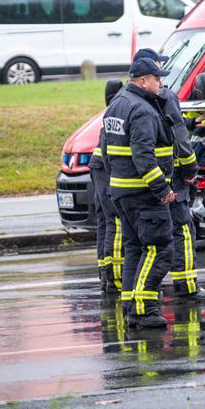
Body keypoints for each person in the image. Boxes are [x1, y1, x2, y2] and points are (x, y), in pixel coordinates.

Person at [132, 48, 205, 303]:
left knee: (146, 238)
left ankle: (143, 290)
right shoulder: (166, 96)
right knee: (182, 229)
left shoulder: (131, 99)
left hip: (149, 180)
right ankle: (187, 286)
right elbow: (179, 139)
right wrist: (191, 170)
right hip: (175, 177)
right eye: (159, 69)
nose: (162, 77)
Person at [104, 57, 177, 329]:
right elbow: (144, 155)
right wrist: (162, 189)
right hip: (144, 194)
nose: (161, 84)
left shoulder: (117, 104)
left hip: (122, 191)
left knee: (134, 248)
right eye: (158, 79)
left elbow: (106, 147)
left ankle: (129, 303)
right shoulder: (142, 109)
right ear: (144, 80)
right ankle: (144, 309)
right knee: (159, 249)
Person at [90, 79, 124, 296]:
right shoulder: (120, 110)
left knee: (105, 220)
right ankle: (113, 278)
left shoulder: (111, 111)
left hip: (97, 166)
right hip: (104, 166)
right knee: (114, 220)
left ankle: (105, 272)